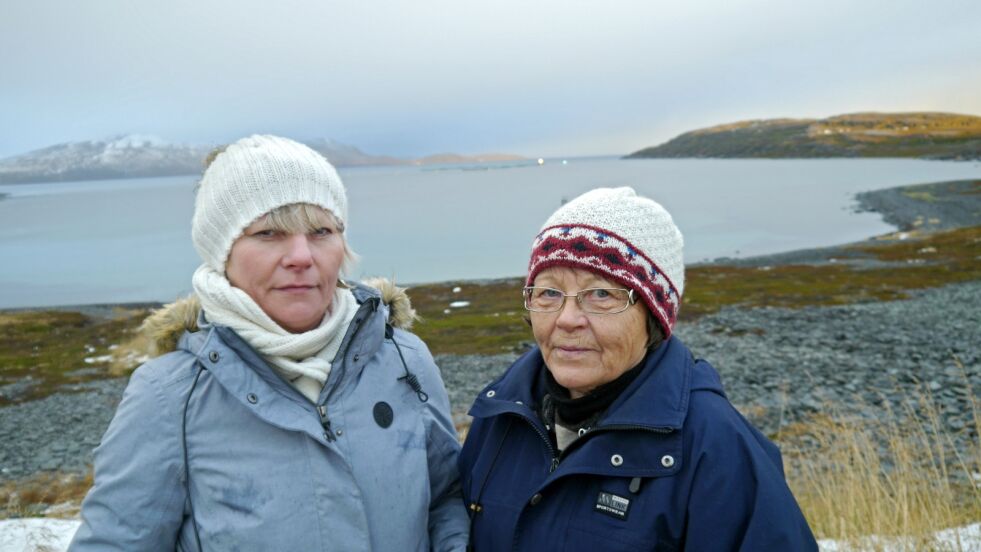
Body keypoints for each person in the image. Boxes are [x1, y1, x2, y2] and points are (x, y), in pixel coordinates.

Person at [71, 135, 469, 551]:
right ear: (221, 254)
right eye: (268, 232)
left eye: (321, 230)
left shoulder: (404, 359)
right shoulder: (169, 395)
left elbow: (446, 499)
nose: (301, 255)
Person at [458, 187, 817, 551]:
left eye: (601, 294)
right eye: (548, 293)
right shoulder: (502, 413)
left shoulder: (715, 446)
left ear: (653, 318)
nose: (566, 320)